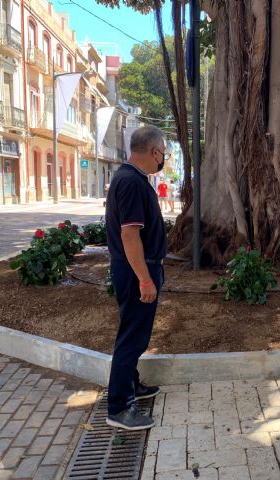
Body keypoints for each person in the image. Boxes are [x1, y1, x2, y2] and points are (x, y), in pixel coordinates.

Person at [105, 126, 169, 430]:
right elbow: (129, 235)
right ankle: (119, 407)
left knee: (133, 332)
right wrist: (144, 279)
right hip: (136, 271)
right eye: (163, 153)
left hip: (137, 268)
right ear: (154, 151)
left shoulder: (131, 177)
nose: (163, 158)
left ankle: (131, 386)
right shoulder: (131, 181)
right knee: (133, 338)